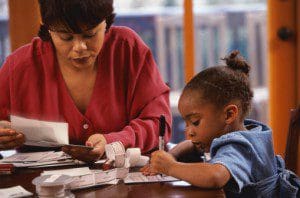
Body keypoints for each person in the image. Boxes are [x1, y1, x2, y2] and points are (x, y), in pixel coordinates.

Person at [0, 0, 171, 162]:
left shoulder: (127, 49)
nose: (79, 47)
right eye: (66, 37)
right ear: (48, 29)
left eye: (90, 34)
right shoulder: (19, 67)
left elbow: (159, 123)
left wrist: (116, 141)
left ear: (106, 22)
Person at [142, 51, 300, 197]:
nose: (189, 132)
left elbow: (215, 176)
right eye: (187, 123)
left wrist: (170, 167)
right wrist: (171, 155)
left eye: (195, 122)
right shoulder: (246, 132)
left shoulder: (239, 148)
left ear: (229, 114)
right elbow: (192, 145)